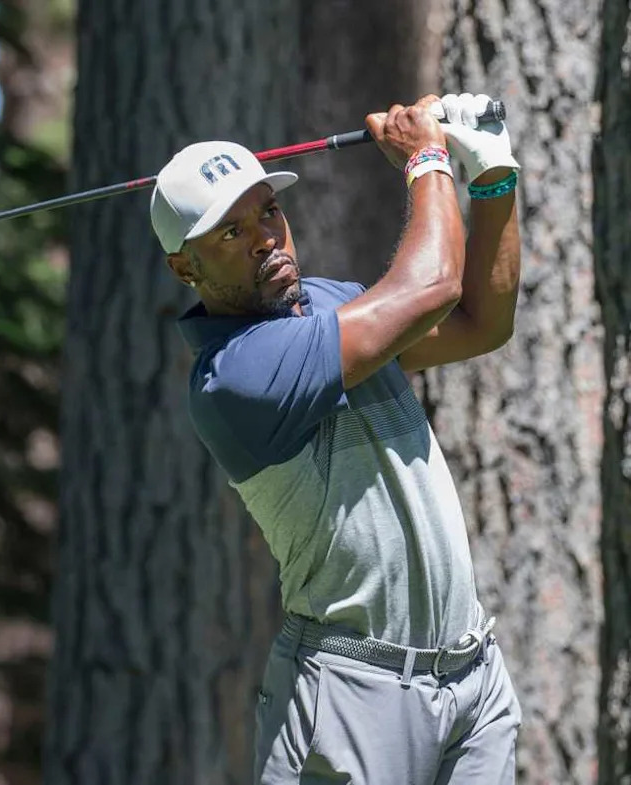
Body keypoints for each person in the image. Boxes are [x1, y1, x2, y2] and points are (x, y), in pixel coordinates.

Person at [149, 93, 523, 785]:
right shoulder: (235, 376)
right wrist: (428, 159)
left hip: (472, 678)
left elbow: (480, 322)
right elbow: (433, 285)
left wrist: (492, 176)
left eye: (268, 211)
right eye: (230, 233)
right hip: (355, 697)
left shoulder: (325, 303)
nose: (265, 237)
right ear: (185, 267)